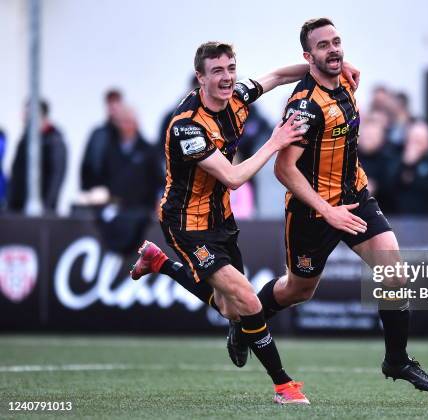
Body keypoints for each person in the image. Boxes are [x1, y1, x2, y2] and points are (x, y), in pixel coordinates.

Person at [130, 41, 360, 405]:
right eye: (217, 71)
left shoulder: (237, 95)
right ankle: (284, 386)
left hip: (220, 217)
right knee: (248, 301)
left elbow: (278, 76)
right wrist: (275, 141)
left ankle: (160, 263)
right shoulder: (187, 127)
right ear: (200, 78)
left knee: (229, 307)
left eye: (231, 68)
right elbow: (234, 178)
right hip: (186, 224)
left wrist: (331, 70)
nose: (226, 78)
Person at [261, 18, 428, 392]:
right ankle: (248, 318)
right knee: (298, 291)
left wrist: (340, 65)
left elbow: (336, 67)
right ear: (308, 56)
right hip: (313, 211)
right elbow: (283, 168)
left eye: (336, 42)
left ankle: (397, 360)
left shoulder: (344, 78)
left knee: (393, 271)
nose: (334, 50)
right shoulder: (305, 106)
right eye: (323, 45)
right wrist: (327, 211)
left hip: (355, 197)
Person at [93, 104, 164, 255]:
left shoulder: (148, 150)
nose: (126, 126)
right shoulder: (110, 150)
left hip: (141, 210)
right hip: (116, 207)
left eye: (129, 121)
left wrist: (158, 204)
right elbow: (102, 178)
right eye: (123, 121)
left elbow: (160, 182)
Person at [8, 100, 66, 213]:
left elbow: (55, 178)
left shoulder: (54, 142)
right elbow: (16, 173)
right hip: (18, 209)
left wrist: (46, 208)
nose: (24, 119)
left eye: (27, 115)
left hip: (41, 212)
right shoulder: (24, 141)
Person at [390, 121, 428, 214]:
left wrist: (413, 178)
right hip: (399, 216)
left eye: (420, 140)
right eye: (413, 139)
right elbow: (389, 187)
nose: (415, 144)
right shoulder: (396, 159)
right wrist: (406, 165)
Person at [81, 89, 123, 190]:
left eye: (116, 103)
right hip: (98, 192)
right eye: (110, 104)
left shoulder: (128, 135)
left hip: (123, 194)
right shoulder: (98, 134)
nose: (113, 108)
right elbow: (87, 165)